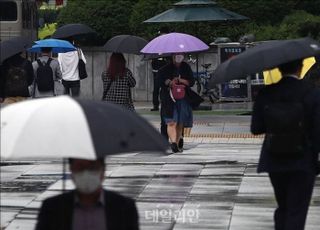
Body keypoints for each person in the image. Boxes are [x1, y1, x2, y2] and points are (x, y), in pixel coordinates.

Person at [251, 59, 320, 230]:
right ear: (301, 67)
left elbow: (256, 128)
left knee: (283, 206)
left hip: (274, 158)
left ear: (279, 69)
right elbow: (318, 131)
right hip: (303, 159)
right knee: (297, 209)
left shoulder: (267, 93)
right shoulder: (312, 93)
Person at [36, 158, 139, 230]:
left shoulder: (124, 207)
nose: (86, 173)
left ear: (103, 171)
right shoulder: (53, 208)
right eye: (80, 167)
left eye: (92, 167)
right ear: (72, 171)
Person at [158, 53, 195, 153]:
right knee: (170, 121)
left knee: (180, 122)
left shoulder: (186, 67)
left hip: (183, 98)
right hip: (168, 98)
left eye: (181, 54)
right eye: (176, 55)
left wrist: (180, 80)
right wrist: (169, 82)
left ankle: (177, 142)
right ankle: (172, 142)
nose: (179, 57)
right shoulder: (165, 69)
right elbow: (159, 80)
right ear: (172, 56)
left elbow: (191, 82)